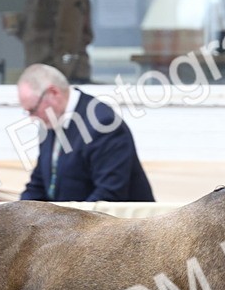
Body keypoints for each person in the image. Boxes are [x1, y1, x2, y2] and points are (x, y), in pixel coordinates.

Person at [18, 64, 155, 203]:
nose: (32, 117)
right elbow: (39, 184)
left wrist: (62, 224)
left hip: (116, 222)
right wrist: (19, 214)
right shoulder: (50, 121)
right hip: (69, 219)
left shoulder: (103, 124)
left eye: (33, 110)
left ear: (54, 93)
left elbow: (108, 196)